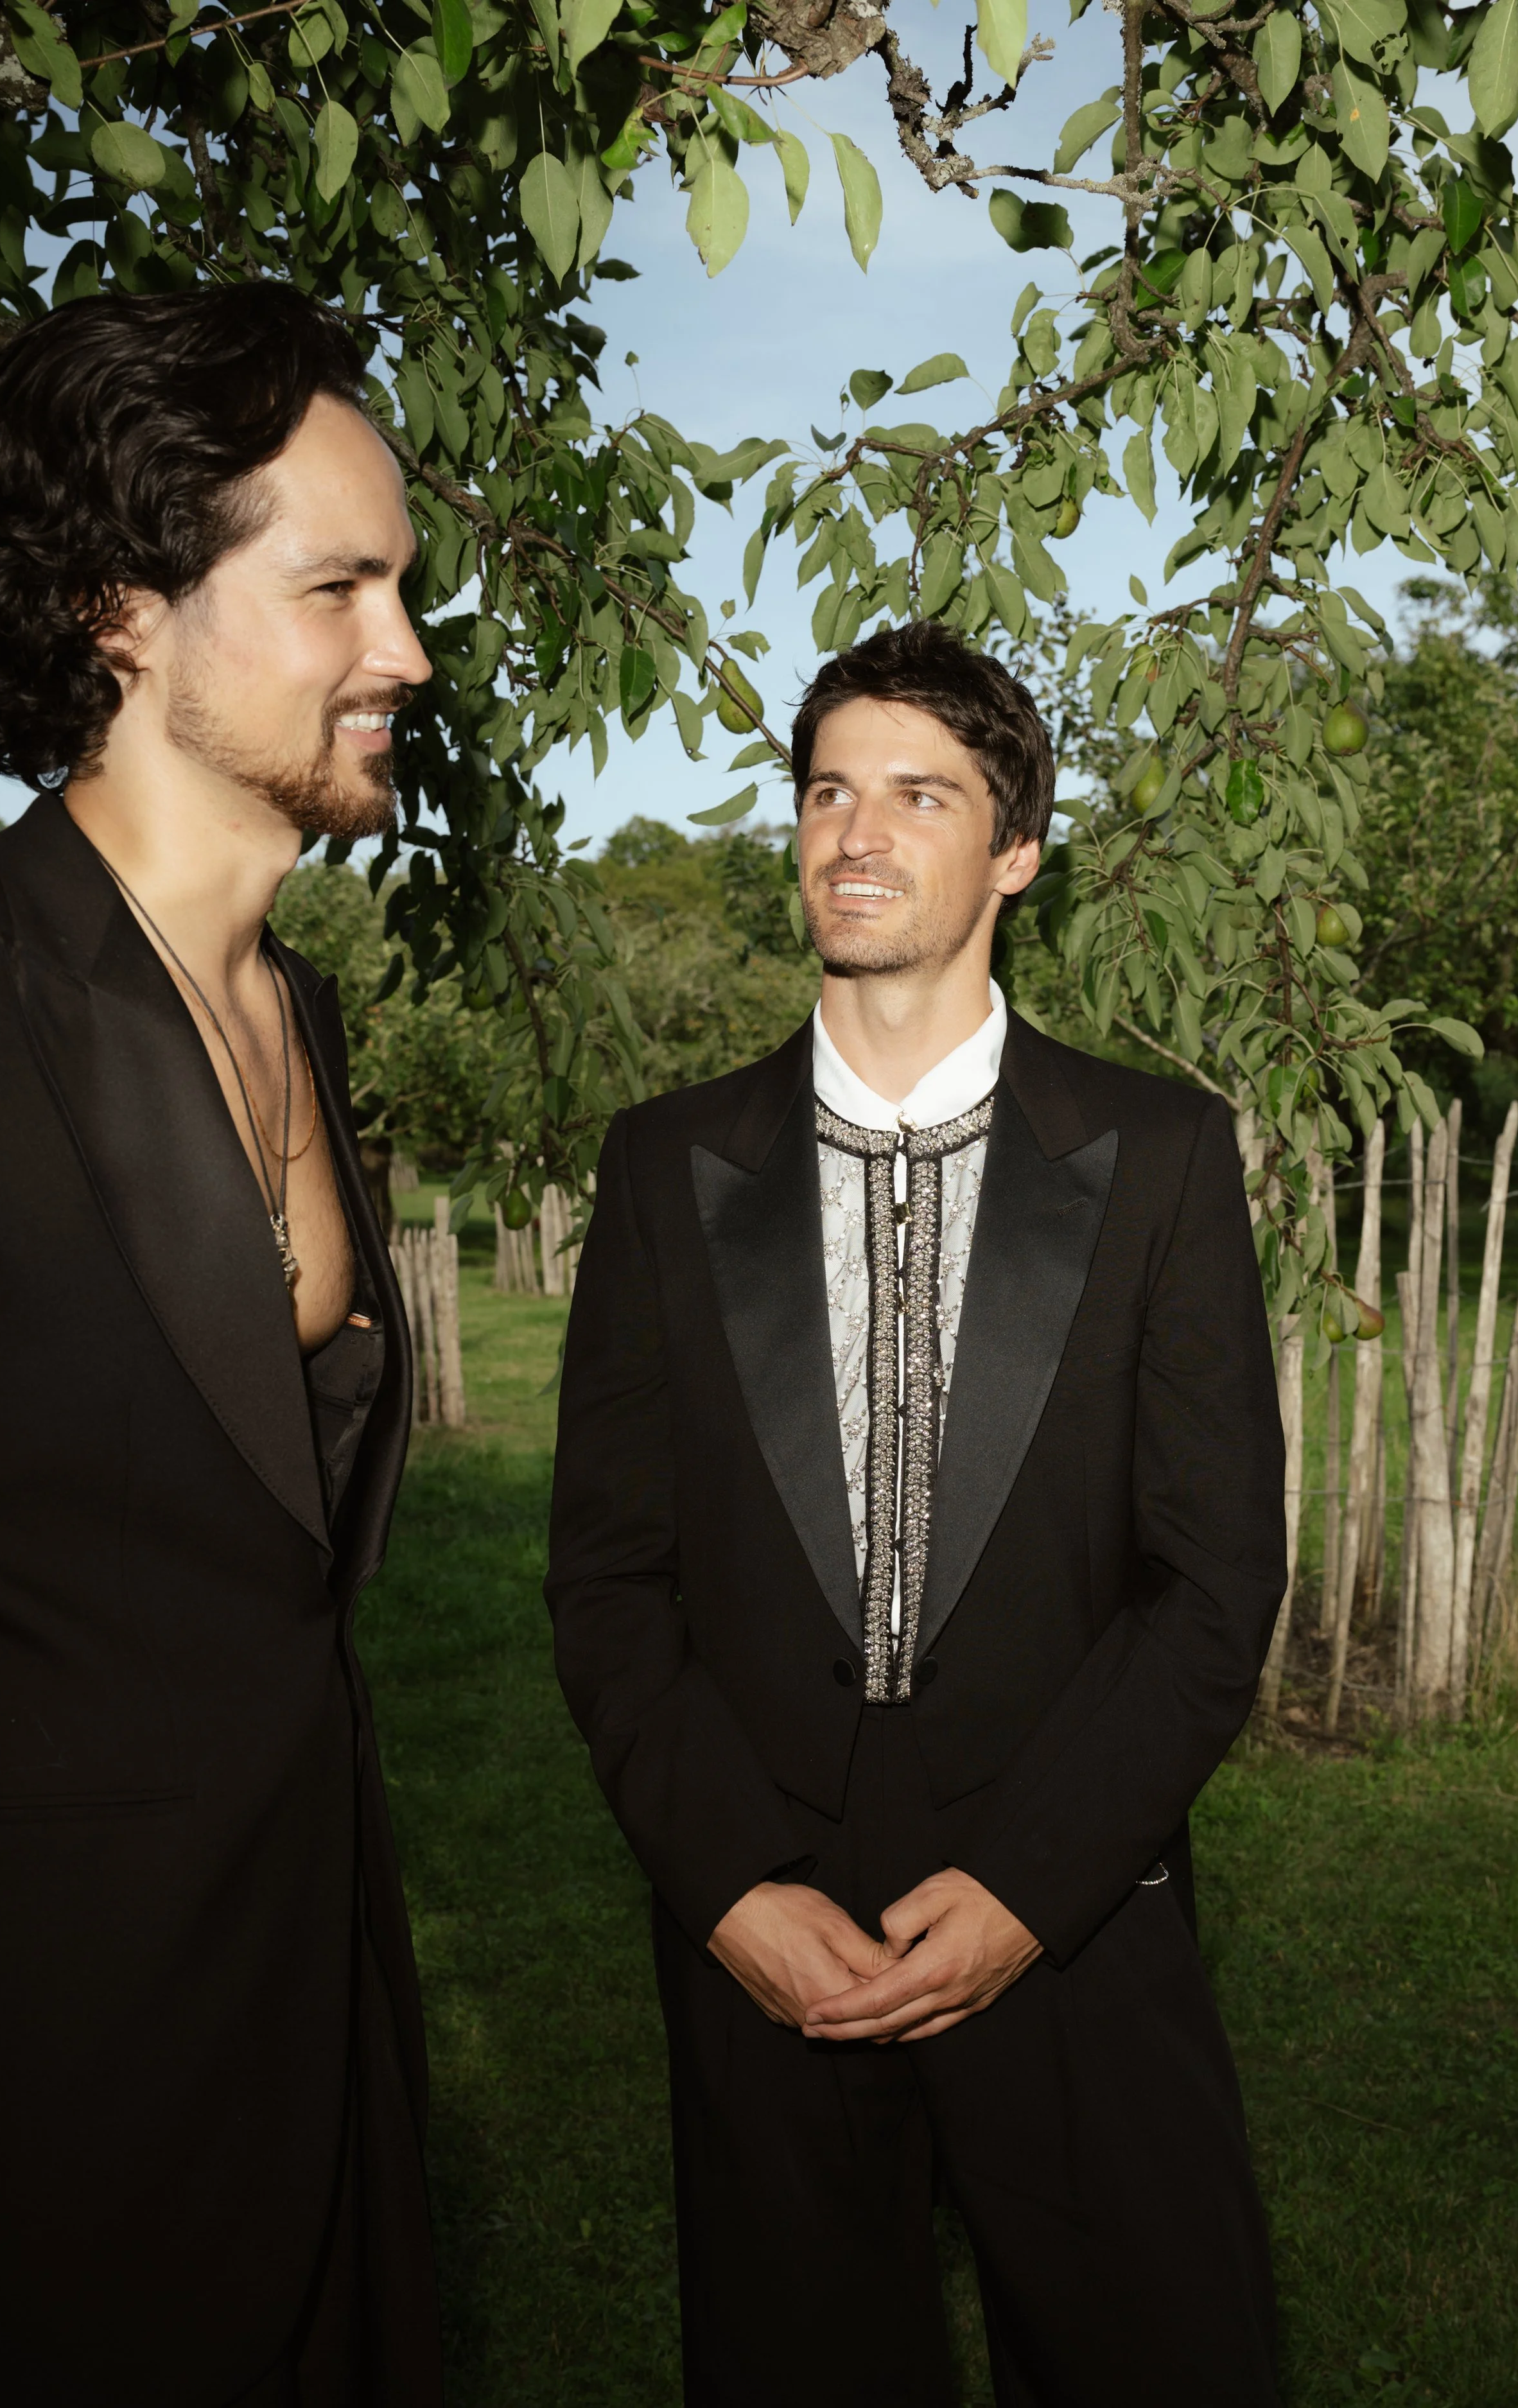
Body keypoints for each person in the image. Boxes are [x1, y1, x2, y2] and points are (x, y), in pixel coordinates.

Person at [548, 620, 1287, 2405]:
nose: (852, 833)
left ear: (1015, 850)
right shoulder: (667, 1165)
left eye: (916, 793)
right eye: (824, 789)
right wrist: (724, 1880)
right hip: (763, 1886)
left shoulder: (1160, 1154)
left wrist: (1040, 1883)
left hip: (1071, 1876)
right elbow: (607, 1576)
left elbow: (1211, 1581)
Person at [0, 285, 444, 2405]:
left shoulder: (308, 1018)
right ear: (124, 610)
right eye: (339, 585)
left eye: (408, 590)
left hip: (308, 2031)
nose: (407, 656)